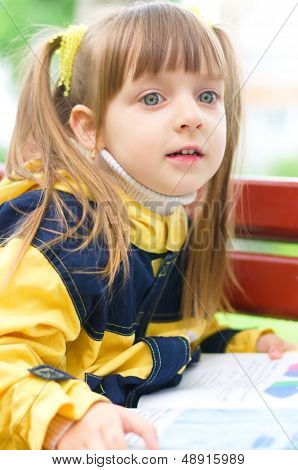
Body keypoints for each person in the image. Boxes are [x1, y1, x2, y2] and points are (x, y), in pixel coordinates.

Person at [0, 0, 295, 451]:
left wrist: (238, 342)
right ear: (88, 129)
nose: (192, 116)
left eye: (208, 96)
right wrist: (64, 421)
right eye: (152, 98)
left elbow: (158, 329)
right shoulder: (61, 232)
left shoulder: (166, 220)